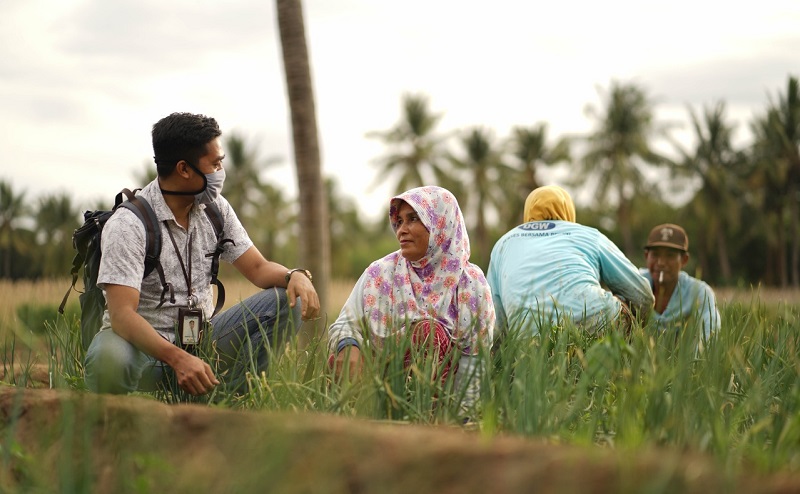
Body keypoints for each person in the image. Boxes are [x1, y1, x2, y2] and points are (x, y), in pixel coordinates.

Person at [84, 112, 320, 396]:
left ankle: (229, 400)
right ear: (184, 169)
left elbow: (258, 268)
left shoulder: (215, 209)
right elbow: (122, 315)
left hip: (202, 342)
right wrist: (178, 359)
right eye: (216, 163)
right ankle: (121, 423)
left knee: (284, 300)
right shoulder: (128, 224)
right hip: (142, 350)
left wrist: (293, 275)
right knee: (108, 358)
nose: (221, 171)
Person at [327, 186, 494, 413]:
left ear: (440, 224)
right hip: (377, 390)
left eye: (413, 219)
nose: (401, 230)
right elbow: (345, 323)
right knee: (341, 354)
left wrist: (463, 420)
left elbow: (474, 362)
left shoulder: (469, 283)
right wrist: (348, 347)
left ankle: (425, 425)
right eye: (399, 221)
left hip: (444, 405)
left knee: (428, 334)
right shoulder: (381, 273)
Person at [487, 185, 654, 335]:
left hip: (529, 340)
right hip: (597, 321)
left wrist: (501, 359)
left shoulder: (504, 243)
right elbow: (642, 295)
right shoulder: (589, 235)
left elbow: (494, 318)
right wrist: (639, 329)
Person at [640, 223, 721, 340]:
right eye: (655, 255)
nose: (661, 262)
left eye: (670, 256)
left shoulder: (699, 292)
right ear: (646, 256)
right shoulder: (633, 283)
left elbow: (710, 335)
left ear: (684, 260)